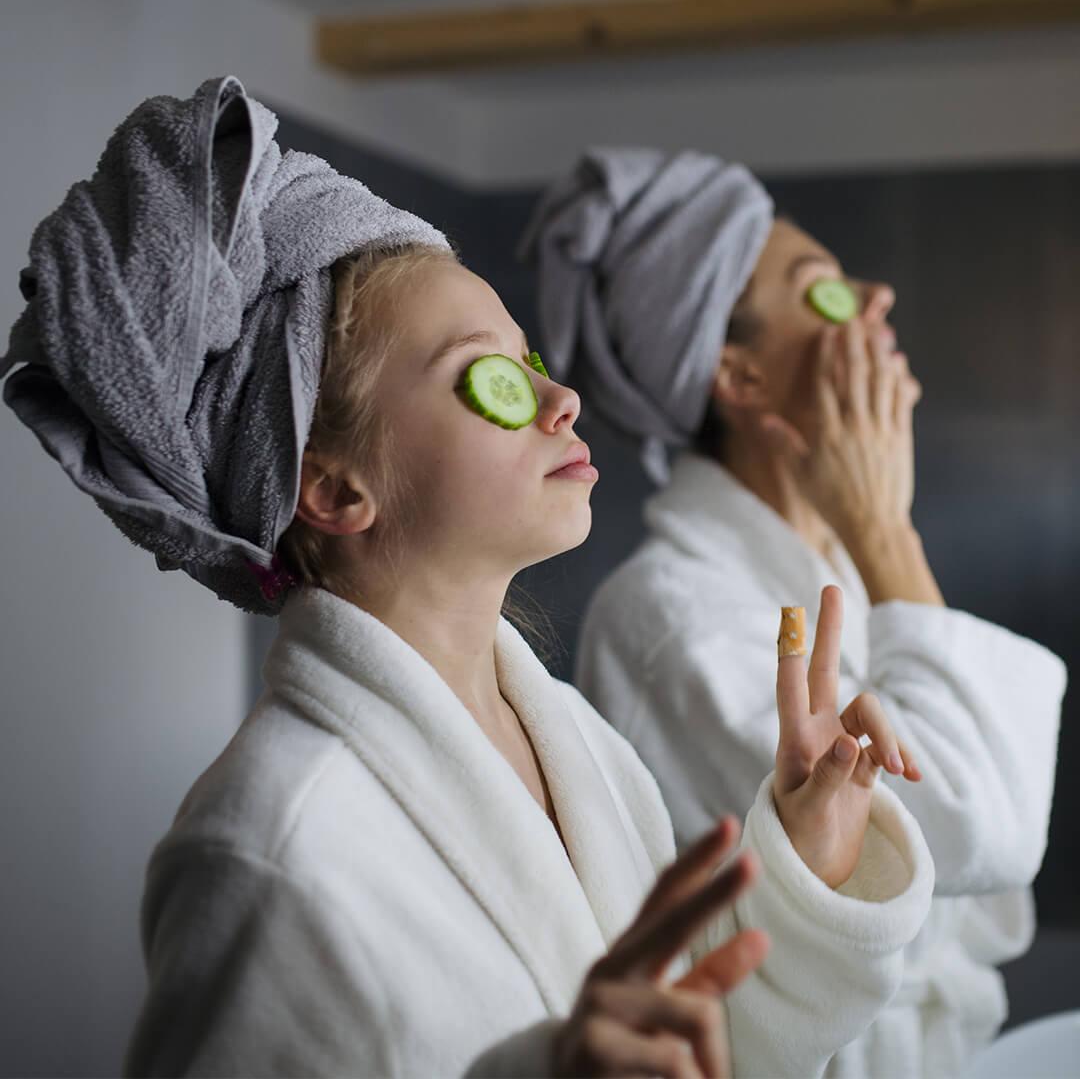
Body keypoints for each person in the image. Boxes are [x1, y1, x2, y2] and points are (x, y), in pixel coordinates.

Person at [2, 81, 935, 1078]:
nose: (561, 399)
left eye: (530, 359)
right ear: (331, 486)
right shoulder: (265, 843)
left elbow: (689, 1039)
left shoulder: (573, 739)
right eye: (485, 378)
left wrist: (807, 851)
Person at [522, 147, 1067, 1076]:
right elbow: (982, 835)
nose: (877, 299)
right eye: (826, 293)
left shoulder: (824, 560)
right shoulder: (666, 618)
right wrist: (884, 526)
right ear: (739, 379)